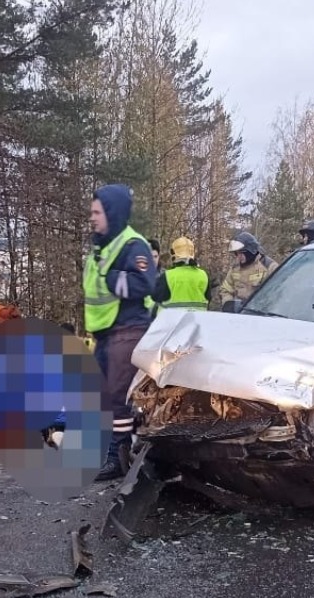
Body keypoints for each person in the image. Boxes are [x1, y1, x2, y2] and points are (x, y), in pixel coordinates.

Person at [82, 184, 158, 482]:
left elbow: (144, 284)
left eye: (97, 212)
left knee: (116, 397)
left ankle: (118, 457)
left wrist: (113, 278)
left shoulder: (132, 245)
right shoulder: (101, 244)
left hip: (127, 328)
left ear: (112, 212)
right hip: (105, 332)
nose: (93, 218)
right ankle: (117, 452)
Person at [218, 231, 278, 312]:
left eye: (241, 253)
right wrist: (229, 306)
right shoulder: (235, 268)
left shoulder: (269, 267)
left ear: (251, 250)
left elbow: (277, 295)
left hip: (261, 315)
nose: (238, 257)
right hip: (238, 315)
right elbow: (225, 290)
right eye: (236, 253)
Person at [151, 236, 210, 311]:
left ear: (174, 254)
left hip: (170, 321)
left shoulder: (167, 276)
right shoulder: (204, 275)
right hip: (197, 321)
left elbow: (154, 297)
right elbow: (208, 298)